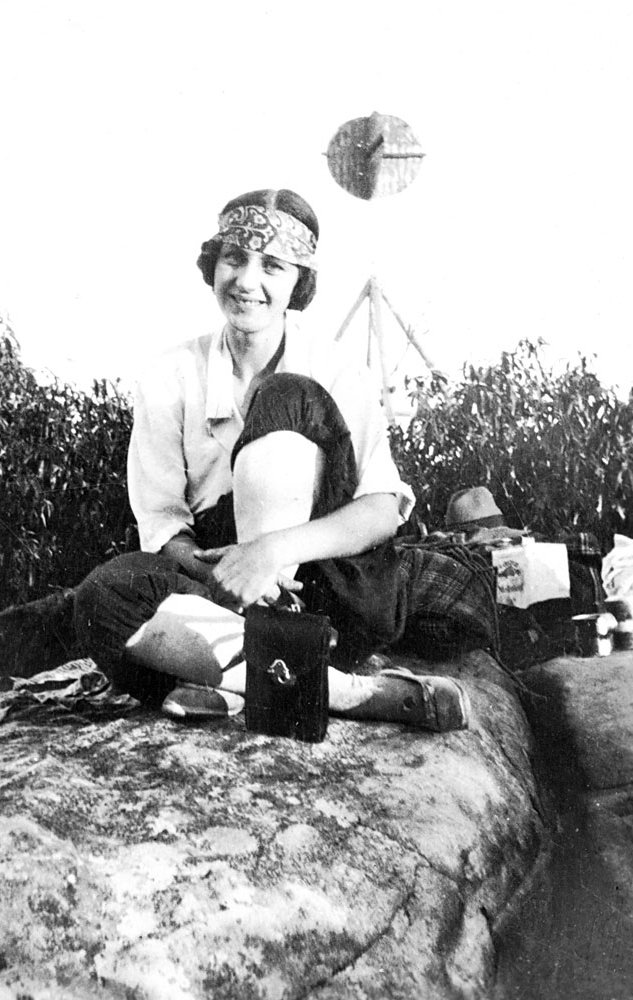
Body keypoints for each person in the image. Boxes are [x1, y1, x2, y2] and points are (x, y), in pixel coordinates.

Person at [73, 189, 496, 732]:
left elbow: (383, 508)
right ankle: (339, 692)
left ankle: (233, 672)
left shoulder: (338, 366)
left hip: (329, 583)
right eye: (234, 258)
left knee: (287, 395)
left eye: (272, 265)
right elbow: (163, 524)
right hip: (221, 584)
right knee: (102, 598)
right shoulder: (169, 375)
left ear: (300, 282)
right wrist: (227, 568)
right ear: (213, 263)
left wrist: (271, 553)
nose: (247, 282)